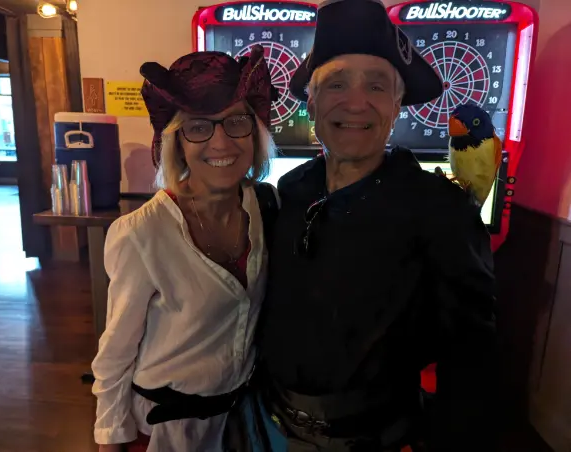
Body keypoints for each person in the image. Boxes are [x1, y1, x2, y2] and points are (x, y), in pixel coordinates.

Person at [247, 0, 498, 451]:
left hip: (380, 439)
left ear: (397, 104)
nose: (356, 102)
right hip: (269, 428)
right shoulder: (292, 190)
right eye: (336, 83)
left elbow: (471, 353)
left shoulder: (441, 210)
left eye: (377, 86)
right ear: (312, 102)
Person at [91, 45, 279, 452]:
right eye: (198, 127)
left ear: (255, 131)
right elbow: (115, 355)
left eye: (236, 122)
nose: (221, 142)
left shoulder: (267, 207)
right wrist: (110, 442)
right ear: (176, 141)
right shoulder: (141, 234)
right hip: (163, 433)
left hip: (238, 424)